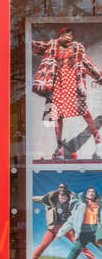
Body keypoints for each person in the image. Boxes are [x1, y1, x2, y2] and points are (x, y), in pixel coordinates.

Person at [31, 27, 102, 160]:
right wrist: (25, 40)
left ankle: (98, 141)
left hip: (73, 83)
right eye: (66, 34)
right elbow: (38, 47)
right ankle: (60, 149)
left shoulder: (77, 48)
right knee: (57, 116)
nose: (69, 36)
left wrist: (98, 77)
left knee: (85, 112)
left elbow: (88, 64)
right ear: (61, 35)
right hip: (58, 83)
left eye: (70, 34)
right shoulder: (53, 46)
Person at [48, 187, 102, 259]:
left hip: (97, 234)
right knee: (70, 258)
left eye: (93, 192)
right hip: (83, 235)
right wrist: (60, 233)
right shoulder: (80, 206)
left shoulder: (100, 205)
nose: (91, 193)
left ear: (95, 195)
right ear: (86, 194)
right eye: (89, 191)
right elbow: (71, 221)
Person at [32, 183, 99, 259]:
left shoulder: (72, 197)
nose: (62, 189)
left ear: (66, 189)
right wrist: (30, 197)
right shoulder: (52, 198)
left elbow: (83, 200)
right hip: (54, 228)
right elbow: (41, 198)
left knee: (79, 244)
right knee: (43, 245)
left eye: (64, 188)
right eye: (61, 187)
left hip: (67, 228)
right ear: (58, 188)